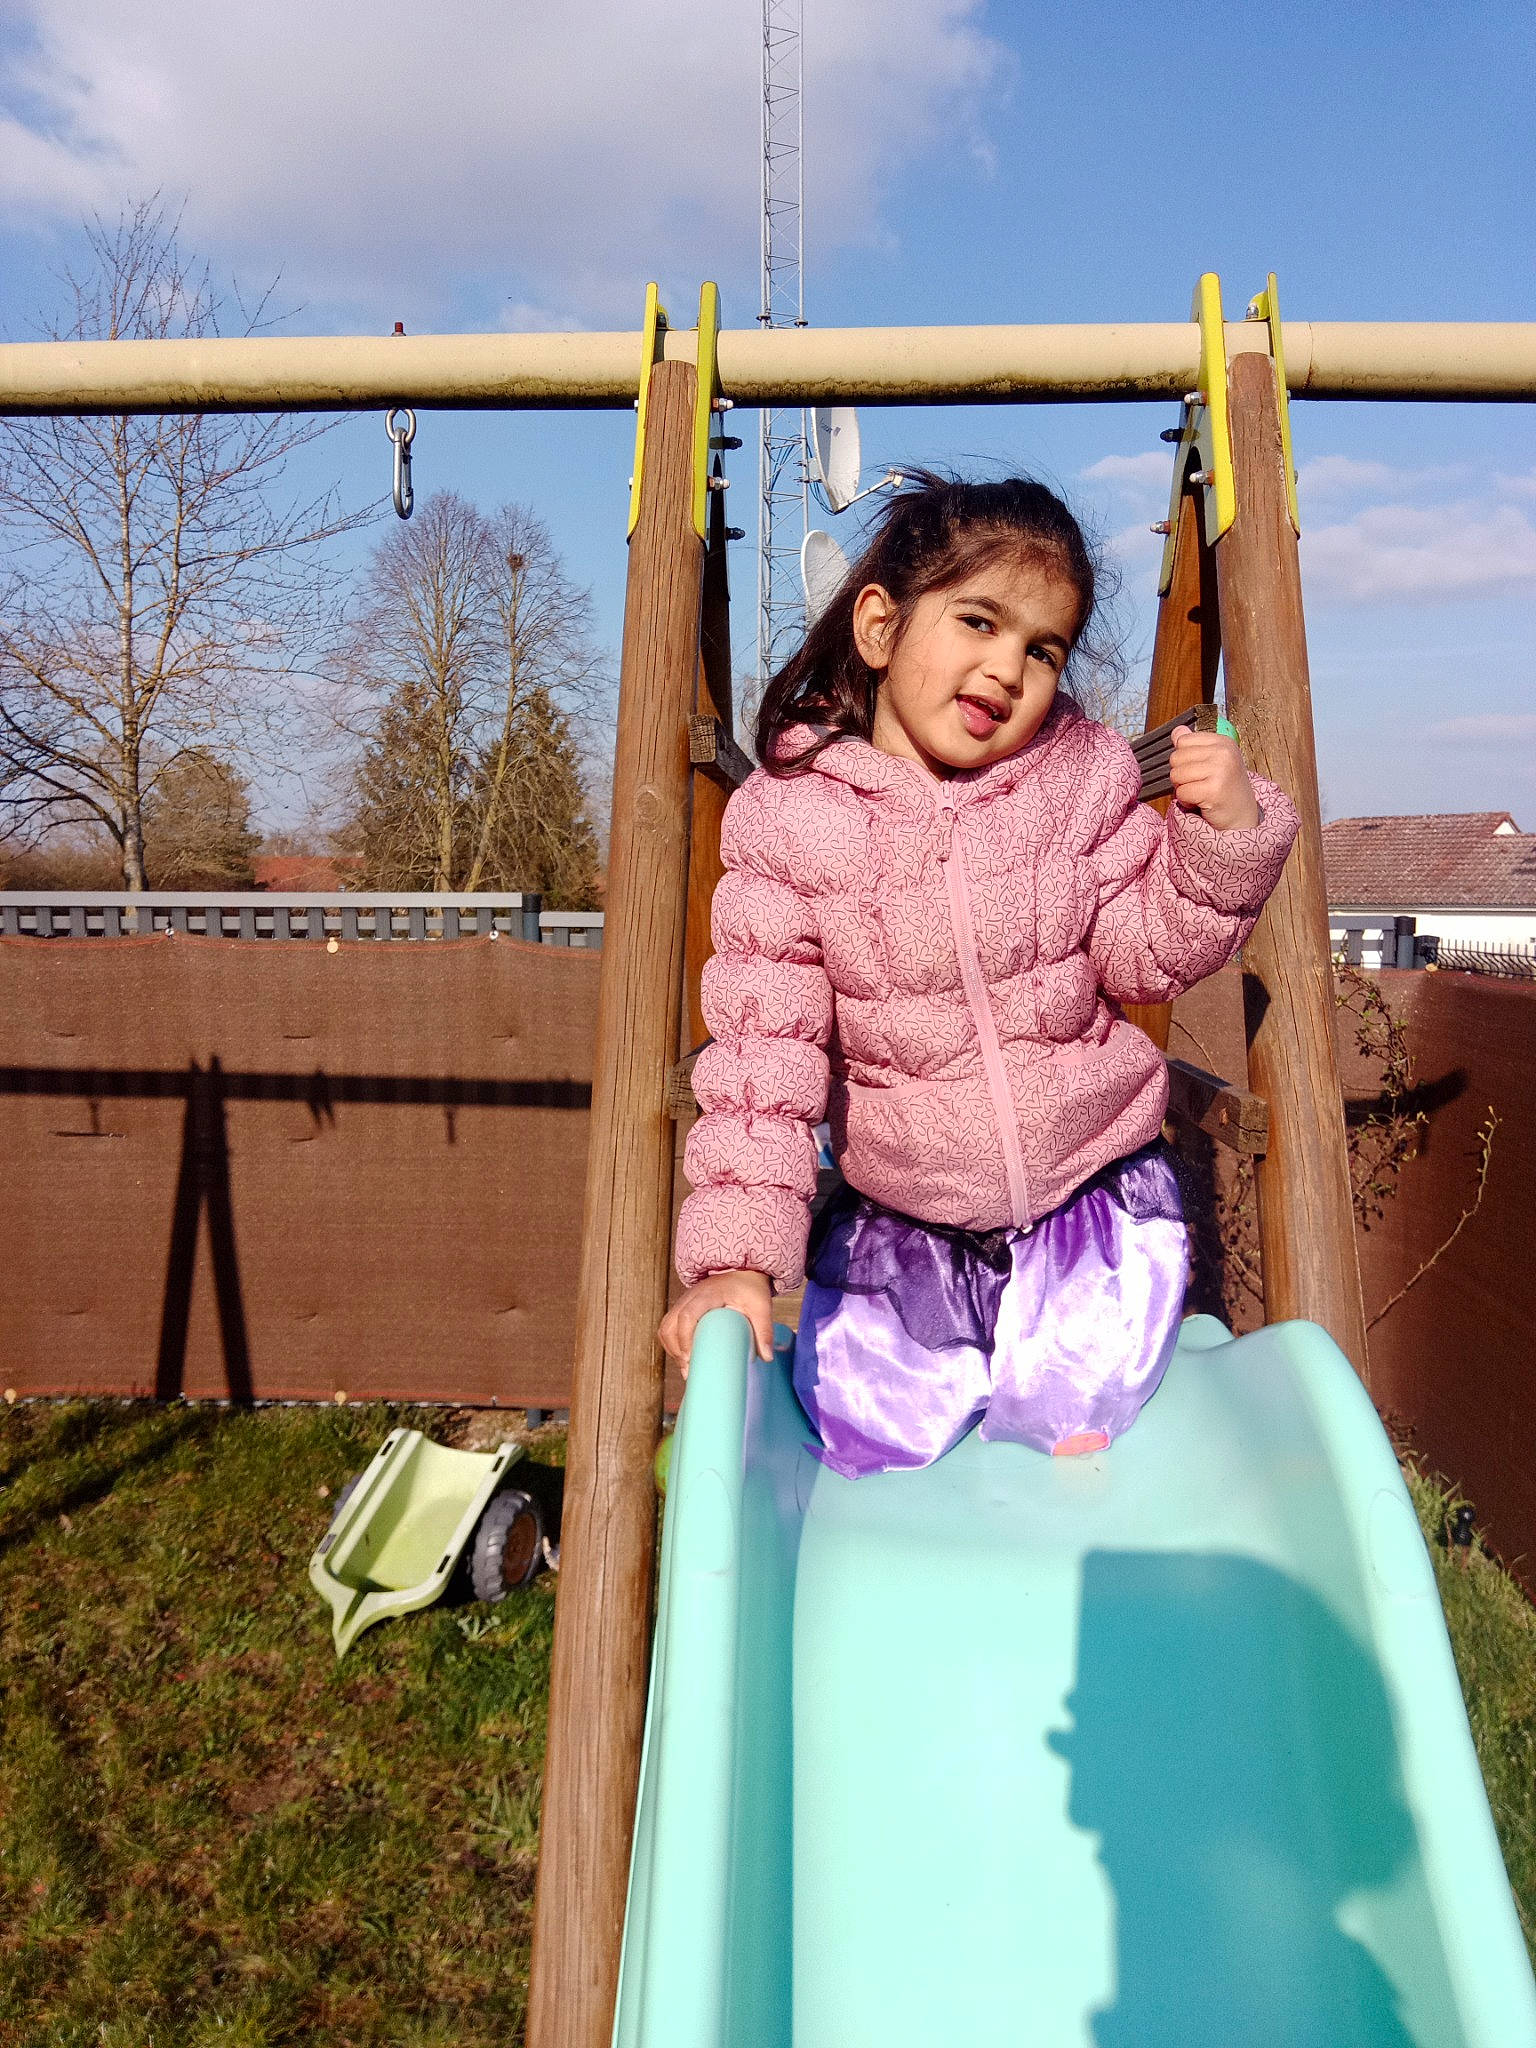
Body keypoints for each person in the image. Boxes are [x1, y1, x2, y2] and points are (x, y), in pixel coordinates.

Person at [659, 473, 1299, 1478]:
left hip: (1092, 1206)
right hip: (904, 1227)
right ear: (880, 624)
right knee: (866, 1431)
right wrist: (737, 1262)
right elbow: (761, 1058)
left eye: (1041, 648)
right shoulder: (791, 824)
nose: (1008, 666)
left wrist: (1225, 845)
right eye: (979, 620)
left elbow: (1146, 946)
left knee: (1077, 1428)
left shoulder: (1076, 783)